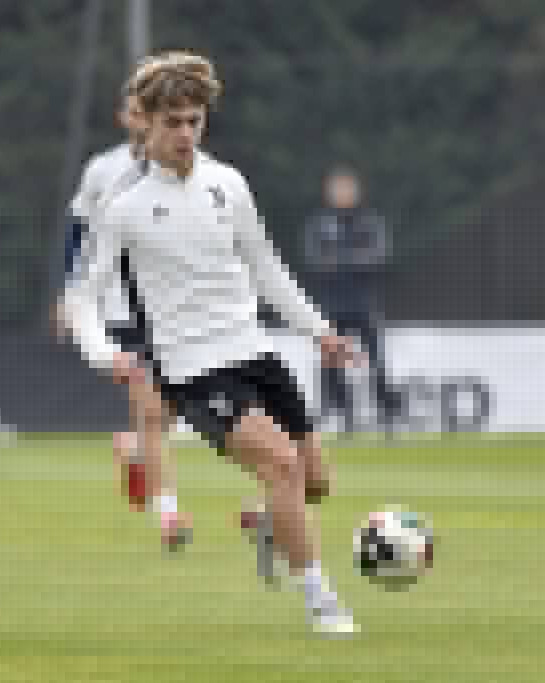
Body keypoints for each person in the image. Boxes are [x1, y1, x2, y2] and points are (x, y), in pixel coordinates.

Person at [68, 53, 359, 635]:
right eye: (172, 122)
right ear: (145, 123)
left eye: (194, 121)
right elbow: (83, 297)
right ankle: (322, 602)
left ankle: (275, 524)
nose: (185, 134)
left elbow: (267, 269)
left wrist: (320, 329)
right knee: (281, 465)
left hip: (256, 353)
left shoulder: (228, 183)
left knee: (315, 482)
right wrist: (104, 353)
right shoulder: (122, 206)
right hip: (194, 370)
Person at [56, 73, 192, 549]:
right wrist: (70, 294)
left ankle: (136, 449)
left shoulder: (185, 166)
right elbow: (77, 234)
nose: (143, 119)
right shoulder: (101, 170)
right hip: (119, 306)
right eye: (136, 111)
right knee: (150, 406)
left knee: (169, 407)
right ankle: (169, 515)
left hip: (174, 304)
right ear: (124, 118)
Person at [304, 166, 397, 432]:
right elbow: (315, 260)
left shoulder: (369, 223)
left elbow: (378, 256)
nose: (343, 194)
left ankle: (387, 415)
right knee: (333, 362)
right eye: (338, 189)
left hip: (363, 303)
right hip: (332, 305)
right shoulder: (321, 225)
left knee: (376, 360)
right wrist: (347, 262)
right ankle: (344, 416)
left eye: (347, 188)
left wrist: (343, 261)